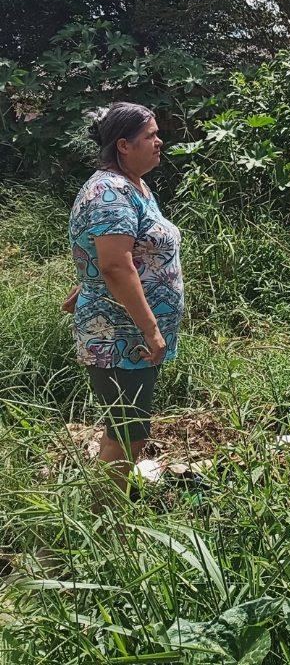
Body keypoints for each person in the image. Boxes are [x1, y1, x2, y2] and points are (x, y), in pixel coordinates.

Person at [65, 102, 180, 493]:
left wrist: (88, 282)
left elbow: (120, 254)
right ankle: (104, 525)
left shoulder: (133, 185)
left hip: (126, 331)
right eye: (150, 135)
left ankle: (109, 519)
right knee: (127, 433)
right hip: (120, 335)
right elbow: (116, 266)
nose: (159, 141)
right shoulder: (109, 192)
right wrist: (150, 329)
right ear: (124, 145)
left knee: (129, 427)